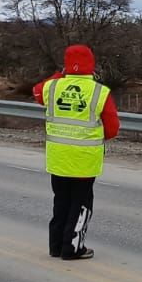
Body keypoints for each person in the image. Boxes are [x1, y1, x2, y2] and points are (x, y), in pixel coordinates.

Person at [33, 44, 120, 260]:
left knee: (60, 202)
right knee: (81, 205)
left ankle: (56, 246)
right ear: (91, 64)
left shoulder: (52, 87)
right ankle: (72, 248)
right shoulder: (99, 92)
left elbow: (36, 92)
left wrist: (60, 74)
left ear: (65, 64)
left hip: (58, 158)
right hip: (84, 161)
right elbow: (112, 128)